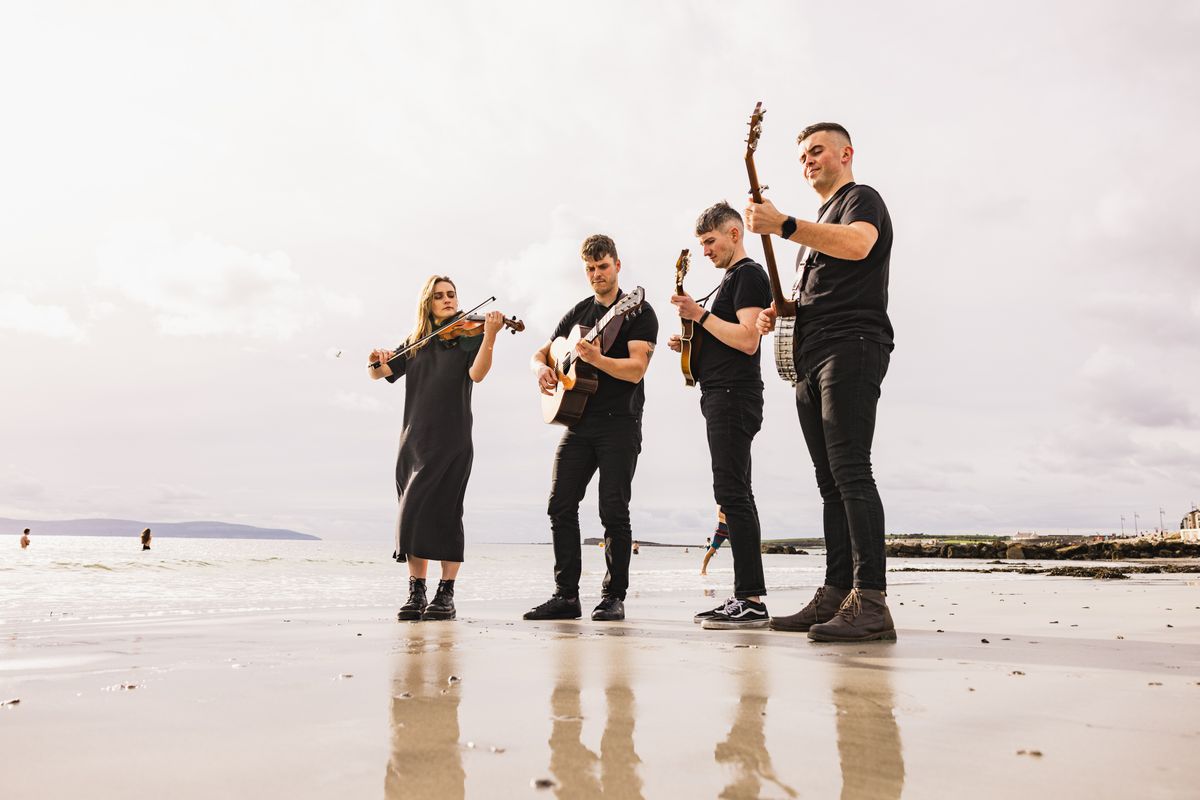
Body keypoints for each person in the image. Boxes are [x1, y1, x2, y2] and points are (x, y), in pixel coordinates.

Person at [746, 122, 896, 642]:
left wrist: (784, 224)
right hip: (809, 355)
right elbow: (819, 291)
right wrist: (780, 310)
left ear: (846, 153)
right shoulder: (814, 229)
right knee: (829, 481)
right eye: (802, 156)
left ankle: (871, 602)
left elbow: (858, 246)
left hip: (852, 344)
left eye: (817, 151)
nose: (808, 161)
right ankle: (836, 594)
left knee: (852, 471)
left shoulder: (861, 199)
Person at [524, 234, 658, 622]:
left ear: (617, 265)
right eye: (590, 268)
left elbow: (636, 370)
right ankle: (566, 596)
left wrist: (597, 360)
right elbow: (541, 352)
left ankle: (613, 596)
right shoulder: (579, 311)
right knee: (560, 504)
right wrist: (542, 369)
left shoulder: (638, 312)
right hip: (578, 423)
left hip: (621, 423)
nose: (597, 274)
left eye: (603, 266)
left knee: (613, 510)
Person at [369, 275, 505, 622]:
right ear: (427, 303)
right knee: (411, 513)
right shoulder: (416, 342)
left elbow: (477, 374)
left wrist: (490, 335)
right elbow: (380, 373)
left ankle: (446, 593)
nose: (447, 300)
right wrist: (375, 359)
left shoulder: (470, 336)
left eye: (451, 295)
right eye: (439, 296)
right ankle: (417, 591)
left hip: (452, 437)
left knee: (446, 513)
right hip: (414, 441)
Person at [669, 202, 771, 629]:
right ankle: (747, 597)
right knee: (734, 493)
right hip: (720, 394)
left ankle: (750, 599)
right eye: (701, 244)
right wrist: (690, 341)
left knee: (733, 495)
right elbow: (723, 337)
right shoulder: (729, 280)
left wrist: (700, 315)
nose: (706, 251)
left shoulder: (749, 275)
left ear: (734, 233)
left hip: (734, 395)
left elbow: (748, 340)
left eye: (710, 241)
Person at [700, 509, 729, 576]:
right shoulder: (721, 503)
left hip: (731, 529)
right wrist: (732, 517)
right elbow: (719, 514)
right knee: (712, 550)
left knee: (737, 551)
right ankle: (703, 570)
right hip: (721, 529)